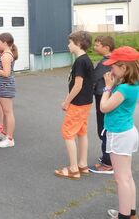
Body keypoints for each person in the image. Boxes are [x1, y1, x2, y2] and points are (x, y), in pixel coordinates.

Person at [100, 46, 139, 219]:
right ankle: (130, 212)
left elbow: (104, 107)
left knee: (121, 179)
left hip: (119, 134)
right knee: (127, 176)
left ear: (124, 68)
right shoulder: (132, 84)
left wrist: (108, 88)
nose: (110, 69)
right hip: (127, 131)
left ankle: (123, 216)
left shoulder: (123, 89)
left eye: (113, 66)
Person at [54, 31, 94, 179]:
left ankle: (73, 169)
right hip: (86, 102)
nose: (68, 45)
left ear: (78, 43)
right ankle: (82, 164)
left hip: (78, 104)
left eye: (70, 42)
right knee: (82, 132)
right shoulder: (86, 60)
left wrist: (66, 102)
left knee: (68, 134)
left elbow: (77, 85)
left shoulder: (80, 61)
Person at [0, 32, 18, 148]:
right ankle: (4, 133)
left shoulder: (6, 55)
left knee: (8, 112)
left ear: (5, 43)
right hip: (2, 86)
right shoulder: (5, 53)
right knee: (6, 112)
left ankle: (9, 138)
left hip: (5, 86)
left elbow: (6, 73)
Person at [90, 35, 115, 174]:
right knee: (108, 127)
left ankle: (107, 163)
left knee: (104, 128)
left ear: (106, 47)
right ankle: (109, 157)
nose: (95, 47)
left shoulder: (105, 63)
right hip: (110, 97)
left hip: (103, 97)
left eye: (97, 45)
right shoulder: (114, 60)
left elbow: (93, 78)